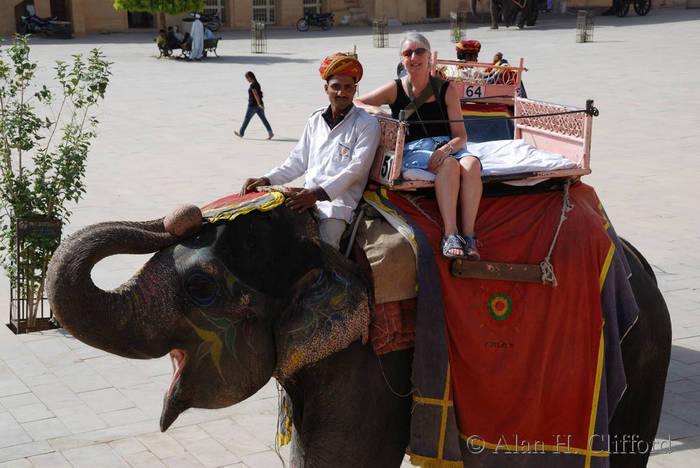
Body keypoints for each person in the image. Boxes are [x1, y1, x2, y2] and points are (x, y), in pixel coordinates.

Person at [354, 32, 482, 260]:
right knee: (450, 166)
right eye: (408, 53)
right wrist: (375, 110)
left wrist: (445, 149)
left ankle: (469, 234)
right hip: (414, 149)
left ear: (430, 56)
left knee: (471, 164)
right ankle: (450, 234)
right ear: (402, 59)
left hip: (447, 146)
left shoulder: (446, 89)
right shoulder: (395, 88)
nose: (414, 57)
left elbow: (461, 135)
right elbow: (355, 100)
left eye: (419, 51)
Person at [240, 53, 381, 249]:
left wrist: (316, 195)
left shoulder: (367, 124)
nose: (342, 92)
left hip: (337, 205)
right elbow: (297, 161)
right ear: (326, 89)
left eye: (348, 87)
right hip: (305, 197)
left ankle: (334, 279)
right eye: (336, 87)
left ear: (355, 91)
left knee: (323, 247)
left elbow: (355, 170)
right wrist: (265, 180)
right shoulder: (315, 119)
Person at [234, 71, 274, 140]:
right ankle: (270, 133)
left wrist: (258, 104)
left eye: (247, 78)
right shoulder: (257, 84)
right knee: (264, 119)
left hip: (253, 106)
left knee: (247, 118)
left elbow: (256, 95)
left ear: (250, 77)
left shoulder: (252, 85)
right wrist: (260, 104)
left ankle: (241, 133)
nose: (247, 80)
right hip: (260, 105)